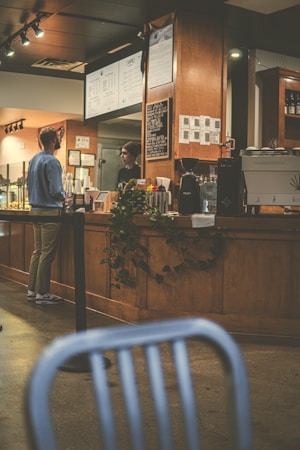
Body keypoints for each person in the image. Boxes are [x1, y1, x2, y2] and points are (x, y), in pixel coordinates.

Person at [26, 127, 66, 305]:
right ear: (53, 140)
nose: (59, 140)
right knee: (47, 254)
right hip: (50, 212)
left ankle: (32, 290)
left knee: (38, 251)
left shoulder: (34, 159)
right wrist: (66, 196)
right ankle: (43, 293)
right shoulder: (52, 162)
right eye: (58, 137)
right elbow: (56, 190)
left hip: (34, 210)